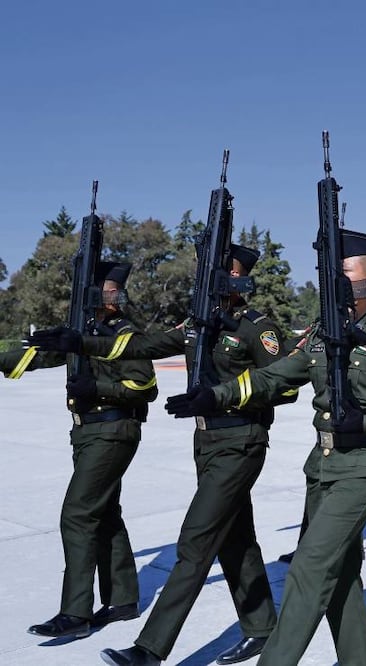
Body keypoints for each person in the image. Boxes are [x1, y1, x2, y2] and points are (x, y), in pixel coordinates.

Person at [166, 230, 366, 665]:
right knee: (341, 573)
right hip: (323, 467)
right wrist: (215, 396)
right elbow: (274, 377)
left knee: (310, 567)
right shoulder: (318, 334)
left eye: (345, 271)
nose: (336, 279)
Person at [32, 245, 288, 666]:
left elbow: (285, 385)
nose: (219, 279)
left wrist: (225, 397)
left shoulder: (257, 328)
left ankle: (150, 649)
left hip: (241, 443)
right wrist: (81, 341)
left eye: (227, 272)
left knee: (195, 541)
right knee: (236, 540)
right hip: (207, 445)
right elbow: (141, 347)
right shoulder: (197, 325)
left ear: (242, 278)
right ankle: (262, 629)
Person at [5, 263, 157, 640]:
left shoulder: (125, 333)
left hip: (113, 429)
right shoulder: (84, 333)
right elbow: (38, 355)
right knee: (104, 511)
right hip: (88, 432)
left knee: (77, 513)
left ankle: (75, 612)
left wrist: (99, 391)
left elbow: (146, 385)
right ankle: (123, 599)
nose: (105, 296)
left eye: (108, 290)